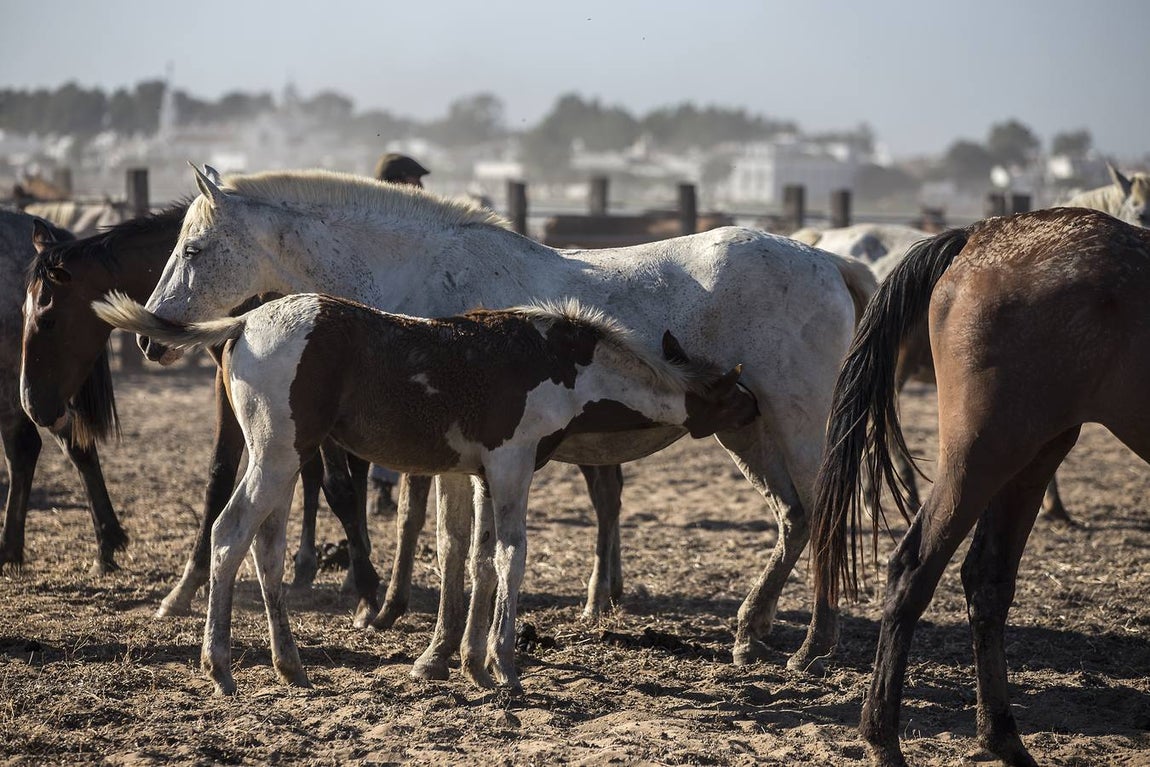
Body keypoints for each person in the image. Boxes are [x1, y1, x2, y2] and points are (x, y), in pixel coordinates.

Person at [367, 153, 430, 514]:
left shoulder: (407, 219)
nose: (420, 187)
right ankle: (384, 485)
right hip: (393, 321)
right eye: (413, 180)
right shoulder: (386, 223)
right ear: (398, 183)